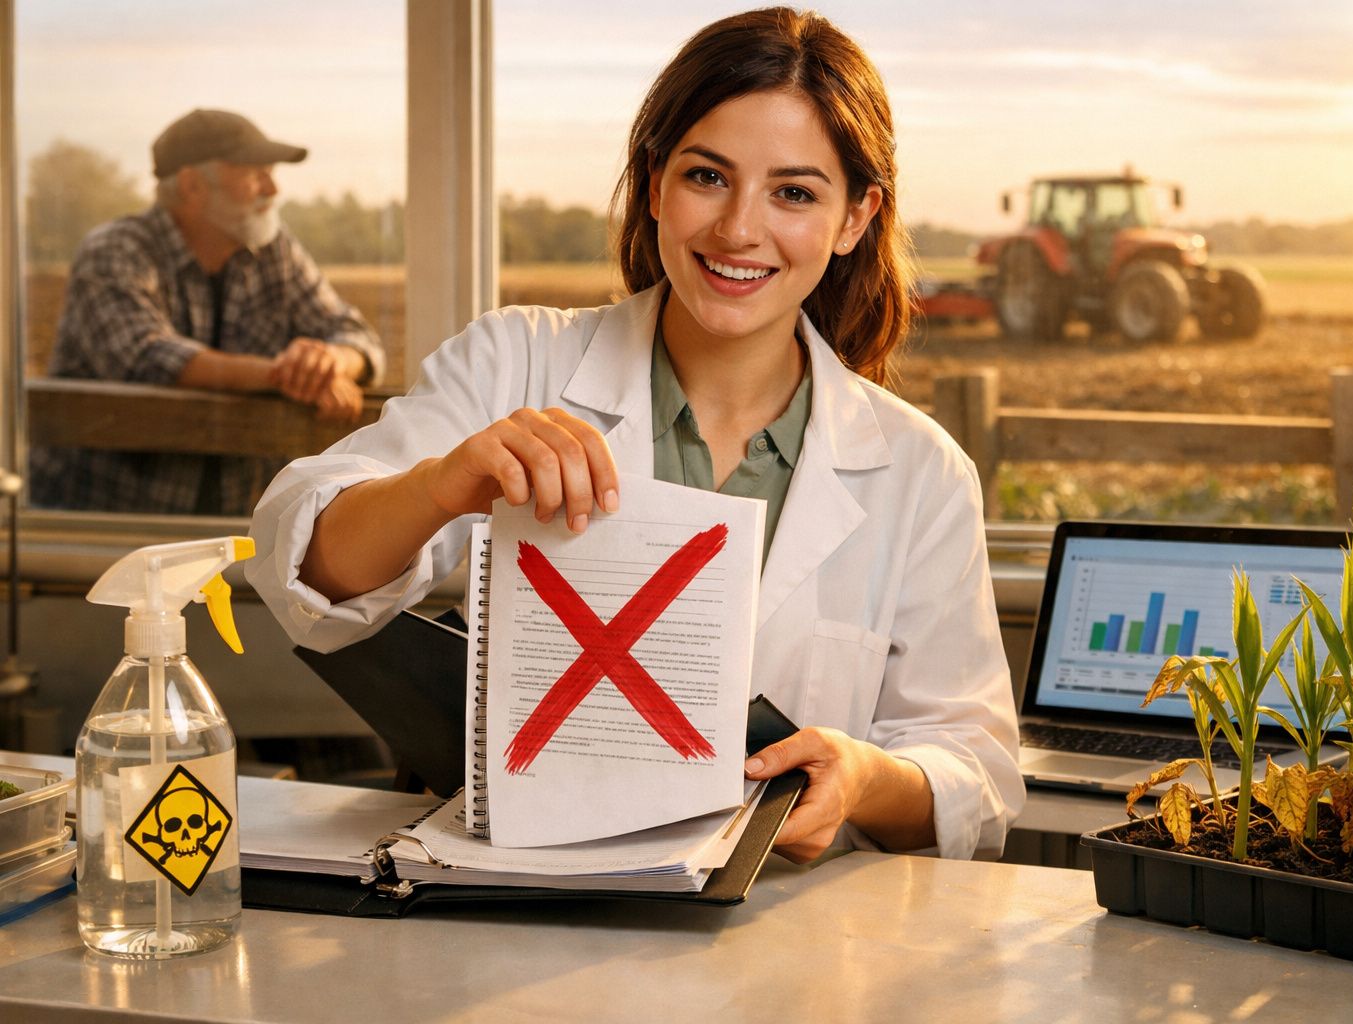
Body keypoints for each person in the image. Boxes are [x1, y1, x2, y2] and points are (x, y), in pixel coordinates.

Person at [248, 8, 1024, 862]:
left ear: (854, 219)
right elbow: (304, 563)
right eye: (707, 177)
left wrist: (866, 777)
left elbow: (976, 777)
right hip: (519, 912)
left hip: (791, 943)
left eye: (794, 192)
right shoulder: (516, 362)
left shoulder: (920, 472)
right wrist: (441, 485)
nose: (738, 230)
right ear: (655, 182)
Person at [29, 108, 385, 516]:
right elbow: (149, 357)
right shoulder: (115, 250)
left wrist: (330, 362)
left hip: (231, 533)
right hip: (105, 531)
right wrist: (286, 375)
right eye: (256, 173)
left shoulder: (275, 250)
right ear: (193, 186)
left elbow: (355, 335)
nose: (273, 188)